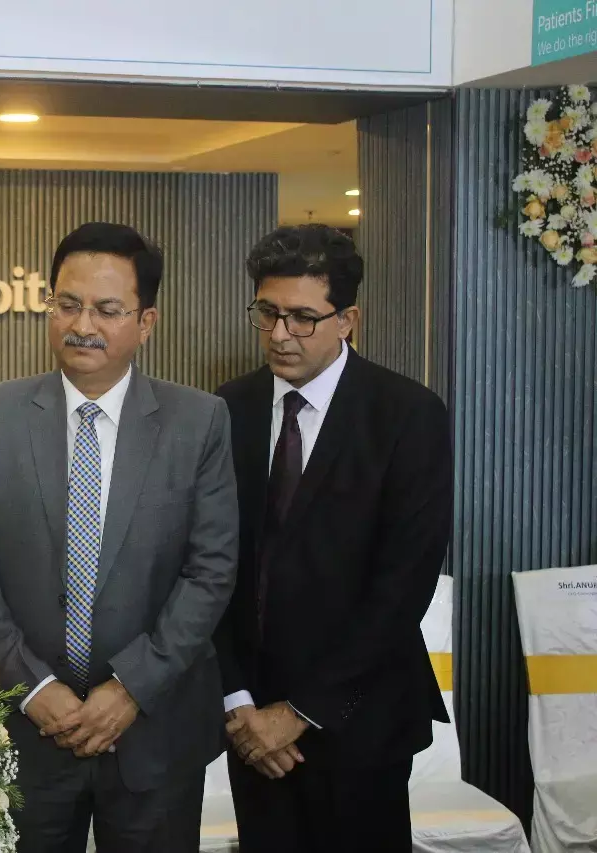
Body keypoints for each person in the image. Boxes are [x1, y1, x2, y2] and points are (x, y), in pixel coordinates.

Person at [0, 222, 238, 853]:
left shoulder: (198, 421)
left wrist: (131, 687)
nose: (82, 325)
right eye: (67, 304)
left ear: (146, 322)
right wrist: (33, 687)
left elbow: (211, 570)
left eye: (107, 310)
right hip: (27, 730)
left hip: (154, 732)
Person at [213, 224, 453, 852]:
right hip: (251, 725)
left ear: (347, 319)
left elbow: (402, 587)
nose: (280, 334)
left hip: (360, 718)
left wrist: (298, 713)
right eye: (267, 313)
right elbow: (210, 567)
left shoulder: (406, 414)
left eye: (302, 318)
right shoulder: (226, 410)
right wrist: (240, 703)